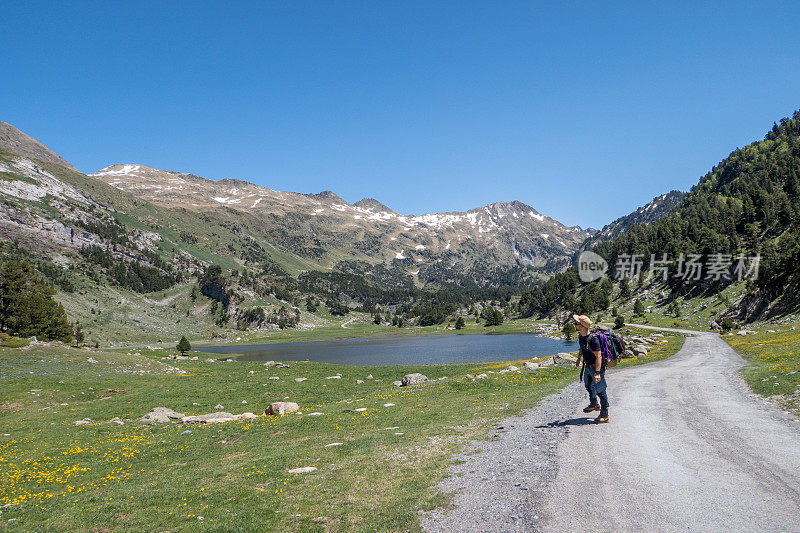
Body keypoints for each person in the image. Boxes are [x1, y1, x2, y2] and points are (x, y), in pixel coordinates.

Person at [573, 314, 609, 423]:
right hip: (587, 366)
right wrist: (579, 358)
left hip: (596, 368)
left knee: (601, 391)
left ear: (582, 326)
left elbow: (599, 356)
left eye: (577, 323)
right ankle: (594, 404)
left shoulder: (593, 340)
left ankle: (605, 414)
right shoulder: (581, 336)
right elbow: (581, 348)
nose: (575, 325)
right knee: (588, 385)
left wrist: (597, 373)